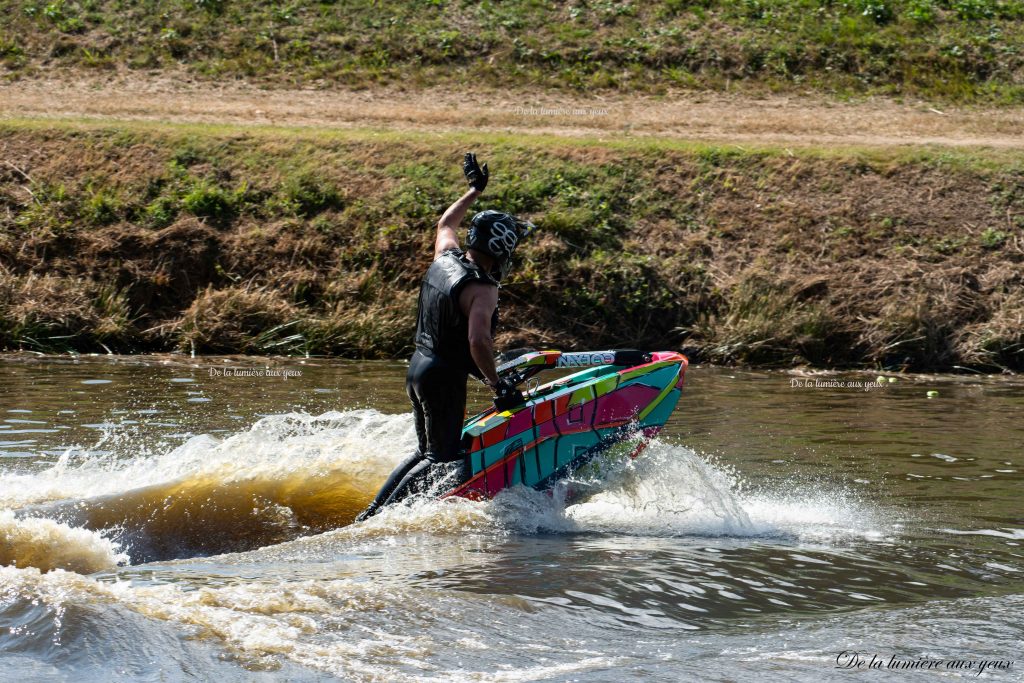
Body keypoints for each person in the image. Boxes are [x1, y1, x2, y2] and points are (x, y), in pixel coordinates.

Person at [355, 153, 535, 521]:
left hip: (419, 367)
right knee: (442, 457)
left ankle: (375, 513)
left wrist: (474, 190)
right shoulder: (484, 289)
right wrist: (497, 384)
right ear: (502, 249)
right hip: (442, 378)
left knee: (428, 453)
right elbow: (478, 342)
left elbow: (445, 222)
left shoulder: (445, 255)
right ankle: (374, 520)